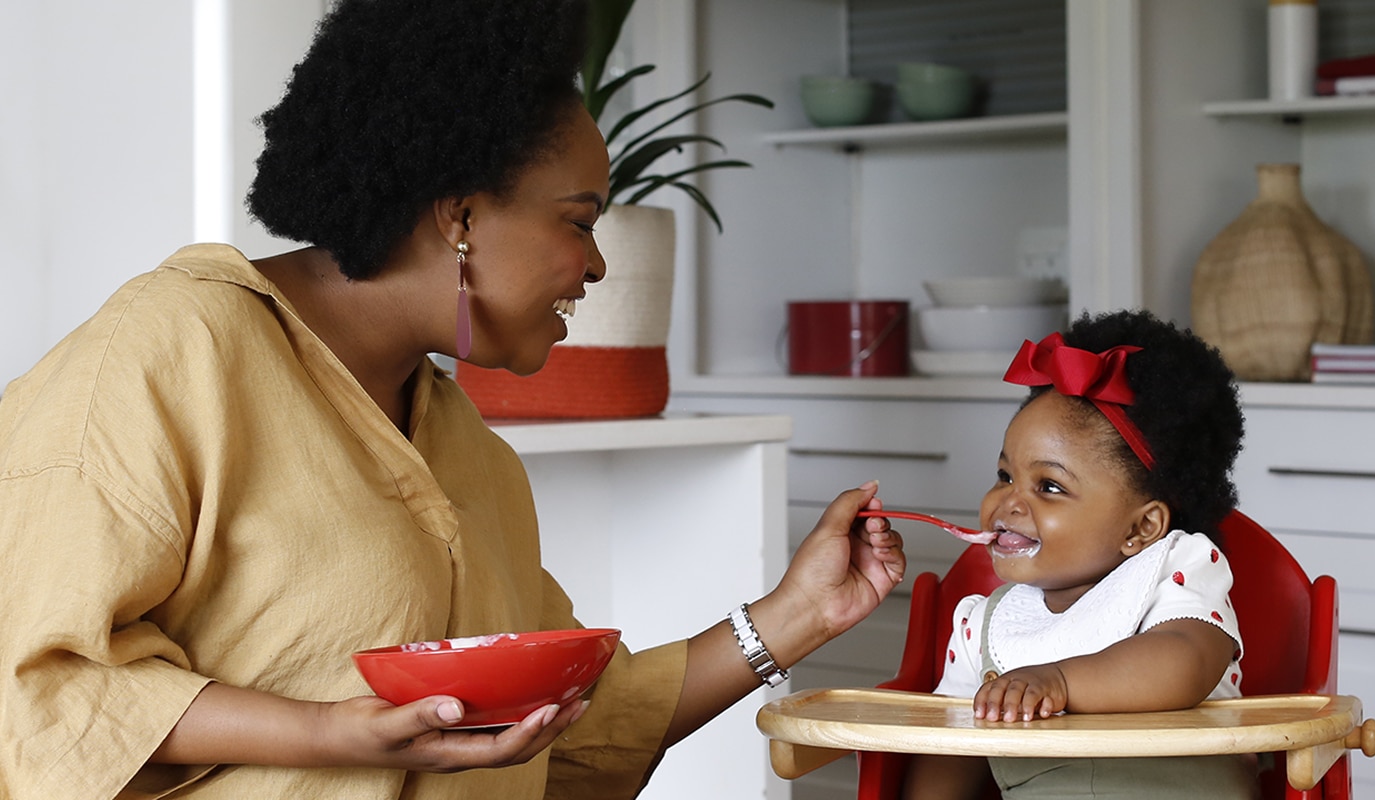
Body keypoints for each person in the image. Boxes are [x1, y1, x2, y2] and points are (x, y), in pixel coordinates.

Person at [0, 1, 905, 798]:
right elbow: (35, 693)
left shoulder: (464, 442)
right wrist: (323, 733)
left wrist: (801, 613)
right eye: (580, 221)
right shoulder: (169, 352)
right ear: (462, 215)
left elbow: (573, 732)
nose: (596, 264)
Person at [902, 309, 1255, 800]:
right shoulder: (981, 629)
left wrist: (1060, 682)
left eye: (1049, 486)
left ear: (1141, 528)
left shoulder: (1177, 570)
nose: (1009, 502)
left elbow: (1186, 660)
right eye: (1005, 476)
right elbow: (948, 750)